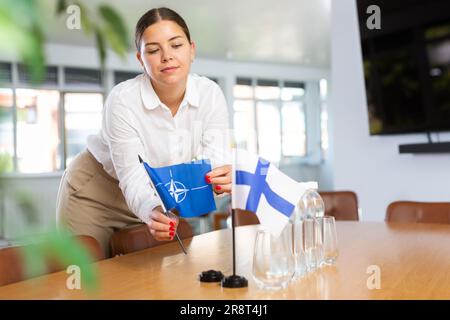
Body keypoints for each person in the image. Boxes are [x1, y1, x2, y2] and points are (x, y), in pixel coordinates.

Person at [56, 7, 232, 258]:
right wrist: (151, 210)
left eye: (176, 45)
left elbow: (213, 158)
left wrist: (219, 180)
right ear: (141, 59)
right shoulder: (123, 100)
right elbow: (132, 175)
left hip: (157, 194)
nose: (167, 57)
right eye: (153, 50)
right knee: (89, 281)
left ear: (191, 50)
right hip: (97, 193)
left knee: (144, 280)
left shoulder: (210, 95)